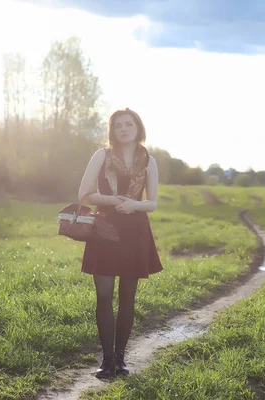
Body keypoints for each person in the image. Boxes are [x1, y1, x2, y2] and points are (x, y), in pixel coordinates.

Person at [77, 108, 163, 379]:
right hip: (105, 229)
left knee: (128, 297)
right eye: (118, 126)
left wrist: (134, 205)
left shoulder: (149, 161)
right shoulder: (101, 156)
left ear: (138, 128)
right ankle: (107, 359)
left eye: (129, 124)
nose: (123, 129)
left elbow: (152, 203)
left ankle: (121, 359)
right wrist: (114, 201)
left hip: (135, 231)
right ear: (112, 131)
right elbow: (84, 195)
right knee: (104, 295)